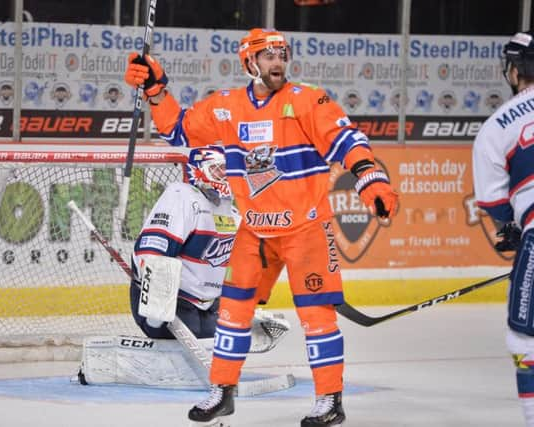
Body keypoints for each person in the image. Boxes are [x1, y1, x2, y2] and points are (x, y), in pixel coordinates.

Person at [125, 28, 399, 427]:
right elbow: (179, 130)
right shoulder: (226, 107)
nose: (278, 62)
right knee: (233, 313)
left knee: (317, 317)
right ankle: (222, 391)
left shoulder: (308, 99)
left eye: (282, 54)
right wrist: (155, 91)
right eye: (268, 55)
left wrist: (368, 175)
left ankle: (329, 400)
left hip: (306, 230)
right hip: (255, 232)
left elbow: (344, 138)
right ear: (249, 62)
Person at [130, 145, 289, 351]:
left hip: (207, 307)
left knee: (221, 332)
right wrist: (158, 309)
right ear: (198, 169)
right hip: (172, 305)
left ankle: (241, 318)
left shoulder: (231, 211)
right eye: (218, 169)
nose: (226, 175)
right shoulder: (182, 195)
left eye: (228, 169)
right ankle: (157, 327)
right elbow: (150, 253)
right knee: (161, 269)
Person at [472, 30, 534, 427]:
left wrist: (512, 232)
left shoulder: (497, 126)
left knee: (524, 340)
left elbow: (494, 207)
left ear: (513, 71)